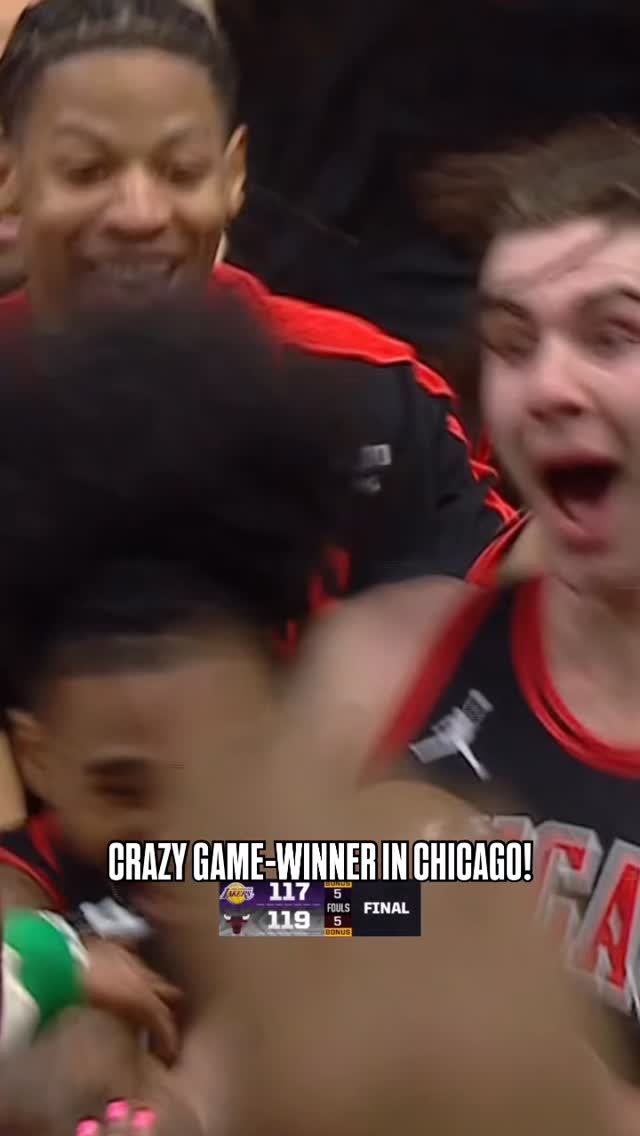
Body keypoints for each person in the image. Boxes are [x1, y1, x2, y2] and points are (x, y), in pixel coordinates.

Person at [0, 297, 610, 1136]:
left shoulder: (340, 861)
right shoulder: (36, 882)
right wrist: (52, 966)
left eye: (222, 769)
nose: (183, 832)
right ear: (39, 758)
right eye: (124, 789)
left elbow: (443, 882)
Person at [286, 120, 640, 1123]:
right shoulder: (390, 659)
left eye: (613, 335)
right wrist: (382, 897)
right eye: (513, 344)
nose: (548, 387)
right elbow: (224, 917)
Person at [0, 0, 528, 614]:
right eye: (88, 172)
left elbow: (503, 629)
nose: (140, 215)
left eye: (181, 172)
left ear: (233, 175)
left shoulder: (366, 393)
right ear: (10, 176)